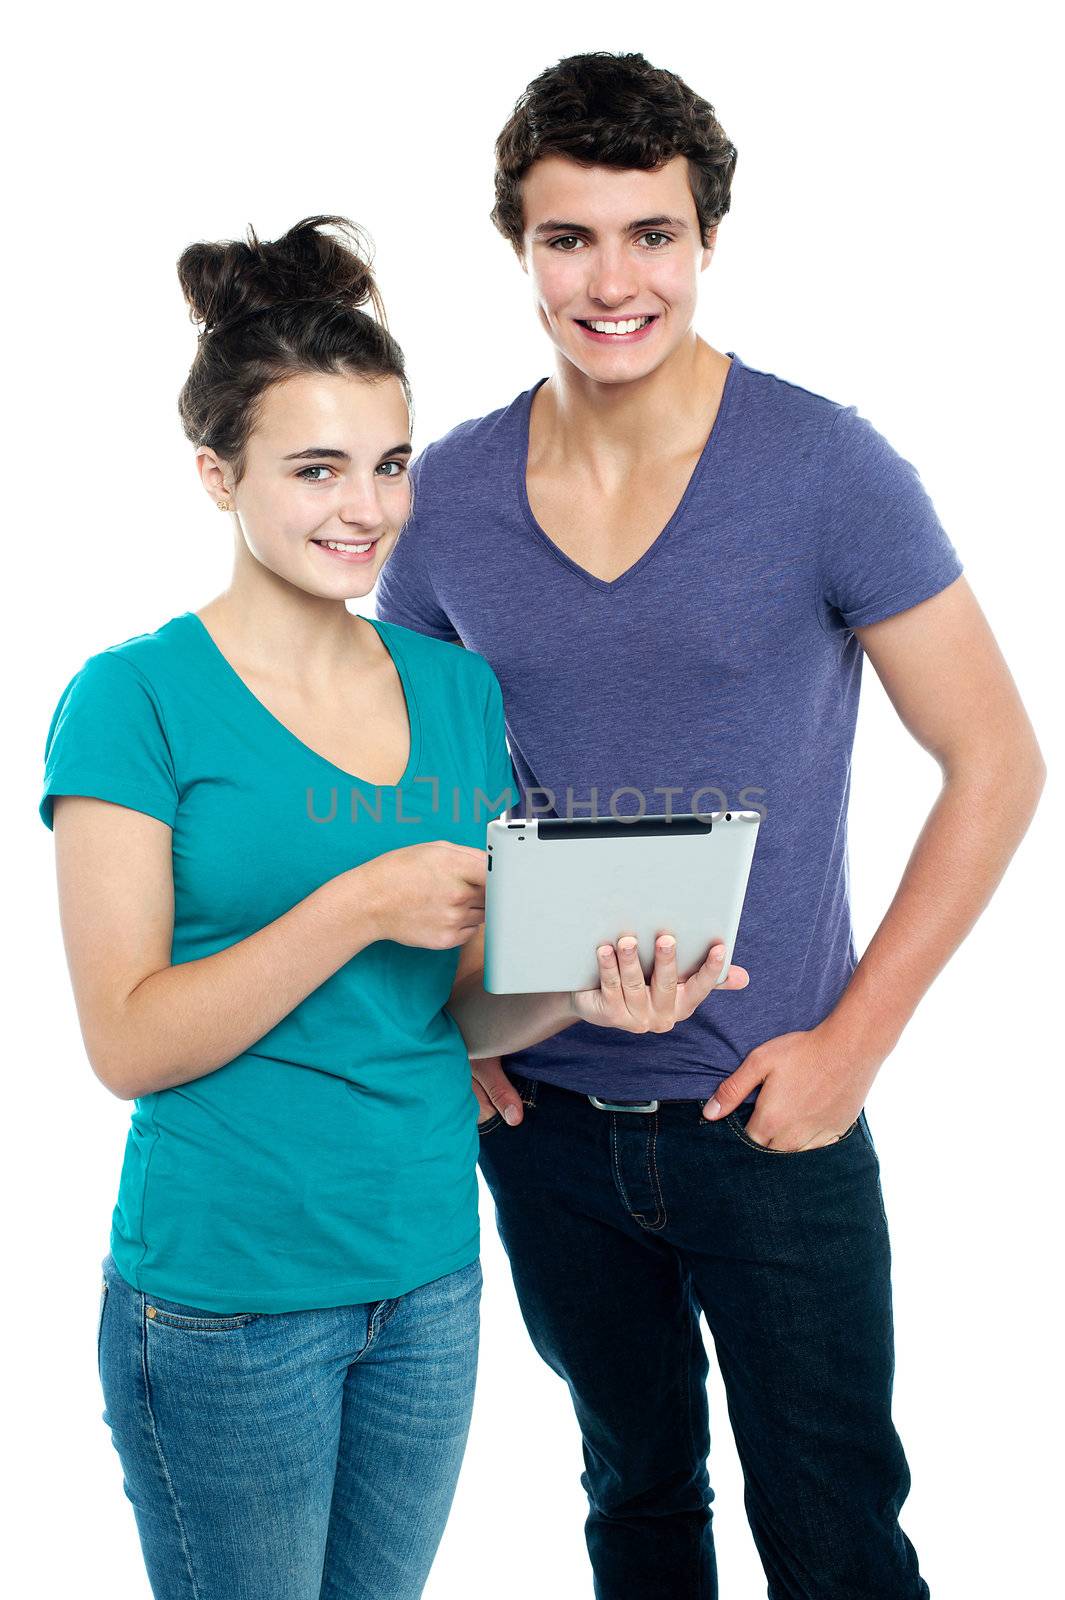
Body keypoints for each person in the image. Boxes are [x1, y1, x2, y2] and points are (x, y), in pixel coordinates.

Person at [374, 51, 1047, 1600]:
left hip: (771, 1114)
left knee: (833, 1539)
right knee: (636, 1508)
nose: (612, 282)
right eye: (568, 239)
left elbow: (996, 760)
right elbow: (422, 780)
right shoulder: (454, 493)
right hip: (541, 1128)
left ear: (705, 241)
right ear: (518, 249)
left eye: (649, 235)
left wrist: (853, 1047)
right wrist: (462, 1031)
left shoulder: (824, 469)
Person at [37, 213, 745, 1600]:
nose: (364, 507)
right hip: (226, 1297)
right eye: (315, 469)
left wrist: (578, 987)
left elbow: (463, 1001)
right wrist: (354, 903)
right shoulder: (130, 702)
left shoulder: (452, 690)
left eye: (389, 464)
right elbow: (126, 1043)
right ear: (214, 475)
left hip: (426, 1272)